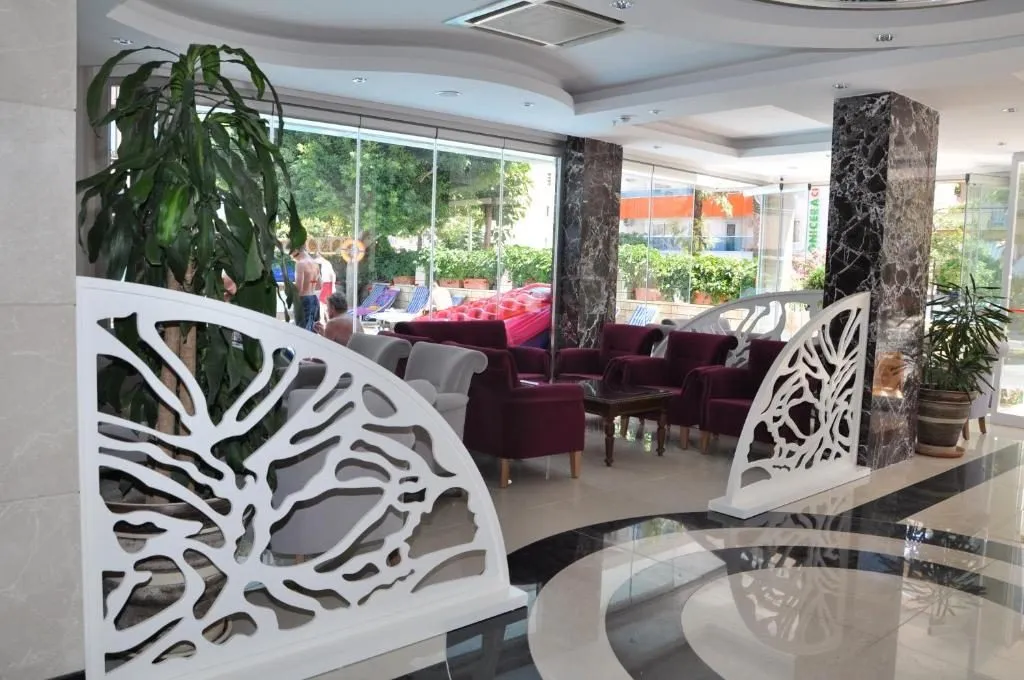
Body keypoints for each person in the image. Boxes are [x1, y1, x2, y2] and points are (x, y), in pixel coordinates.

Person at [291, 245, 321, 331]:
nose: (292, 257)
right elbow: (319, 285)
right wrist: (309, 283)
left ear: (296, 250)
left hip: (303, 300)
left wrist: (289, 287)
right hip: (314, 299)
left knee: (302, 333)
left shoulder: (300, 263)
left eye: (291, 255)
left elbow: (299, 289)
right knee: (312, 332)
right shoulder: (315, 263)